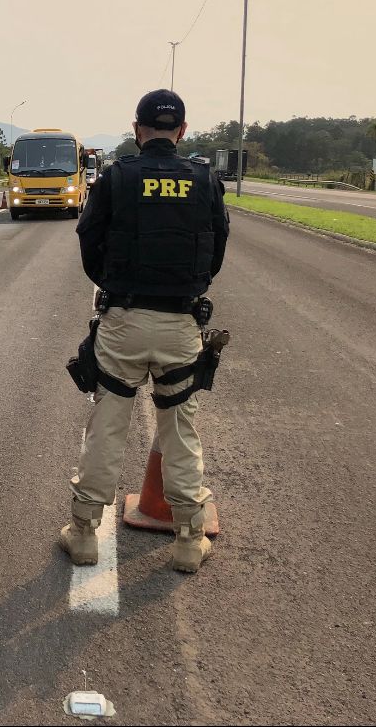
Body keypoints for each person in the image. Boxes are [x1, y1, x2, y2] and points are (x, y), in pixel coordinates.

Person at [63, 89, 229, 573]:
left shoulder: (116, 177)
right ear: (181, 131)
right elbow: (217, 249)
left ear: (138, 130)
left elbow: (88, 239)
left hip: (123, 321)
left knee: (108, 426)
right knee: (180, 430)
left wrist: (113, 285)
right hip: (181, 323)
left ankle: (84, 533)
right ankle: (187, 540)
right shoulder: (205, 180)